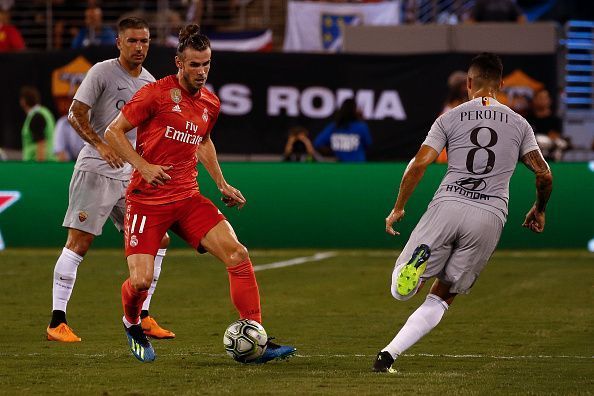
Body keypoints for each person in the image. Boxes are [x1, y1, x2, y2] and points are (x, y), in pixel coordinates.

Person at [104, 24, 296, 363]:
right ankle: (132, 322)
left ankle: (256, 338)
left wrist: (221, 183)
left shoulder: (210, 102)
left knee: (238, 255)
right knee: (140, 282)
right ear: (179, 62)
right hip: (147, 200)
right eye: (194, 65)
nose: (202, 71)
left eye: (206, 64)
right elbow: (113, 131)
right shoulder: (155, 94)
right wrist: (143, 166)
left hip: (187, 198)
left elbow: (202, 141)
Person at [372, 53, 553, 373]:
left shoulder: (450, 118)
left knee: (400, 292)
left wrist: (398, 207)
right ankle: (389, 354)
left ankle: (410, 272)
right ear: (500, 84)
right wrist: (538, 208)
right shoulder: (520, 123)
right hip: (490, 214)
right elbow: (544, 174)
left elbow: (420, 164)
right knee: (443, 296)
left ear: (469, 83)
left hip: (448, 204)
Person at [47, 17, 174, 343]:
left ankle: (143, 316)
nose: (139, 47)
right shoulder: (102, 72)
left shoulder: (149, 82)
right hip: (96, 169)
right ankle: (56, 321)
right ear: (119, 42)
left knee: (158, 240)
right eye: (132, 41)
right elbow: (76, 112)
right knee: (80, 242)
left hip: (130, 174)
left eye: (144, 41)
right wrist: (101, 145)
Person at [526, 89, 569, 162]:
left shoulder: (555, 120)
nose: (542, 100)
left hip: (550, 157)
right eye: (540, 98)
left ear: (549, 101)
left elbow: (554, 137)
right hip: (532, 158)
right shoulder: (527, 120)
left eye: (545, 98)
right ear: (534, 100)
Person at [436, 71, 469, 163]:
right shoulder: (451, 107)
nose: (467, 87)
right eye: (464, 84)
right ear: (457, 87)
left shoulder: (467, 102)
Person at [19, 86, 56, 162]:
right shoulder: (46, 112)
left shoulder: (36, 117)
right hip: (50, 161)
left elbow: (41, 144)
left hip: (37, 164)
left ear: (23, 101)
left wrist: (39, 169)